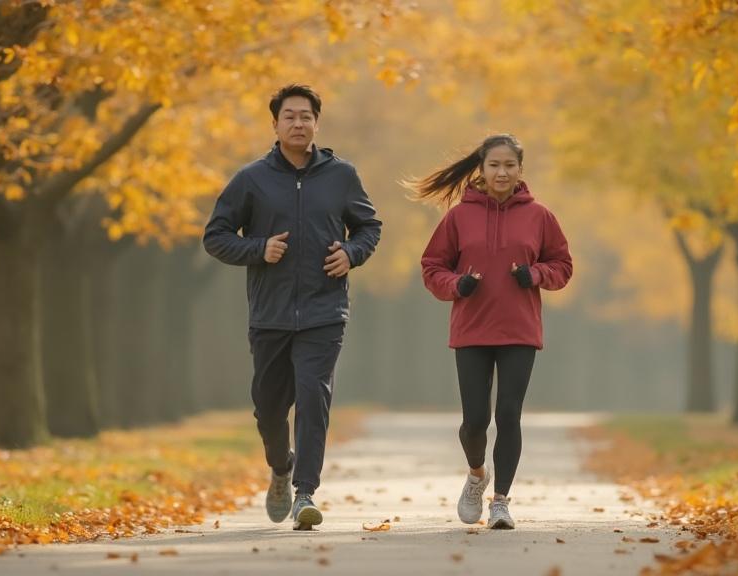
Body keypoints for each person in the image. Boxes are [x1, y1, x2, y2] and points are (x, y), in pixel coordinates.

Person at [203, 84, 381, 530]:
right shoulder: (251, 179)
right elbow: (216, 235)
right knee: (268, 406)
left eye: (306, 116)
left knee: (313, 397)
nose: (298, 123)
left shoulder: (342, 176)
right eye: (290, 117)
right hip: (270, 313)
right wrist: (258, 249)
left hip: (325, 312)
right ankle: (281, 467)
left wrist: (352, 254)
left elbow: (369, 227)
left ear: (317, 123)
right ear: (276, 124)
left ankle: (305, 492)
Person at [414, 134, 572, 529]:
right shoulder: (457, 217)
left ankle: (501, 501)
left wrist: (534, 273)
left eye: (510, 166)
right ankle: (476, 476)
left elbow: (562, 265)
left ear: (520, 170)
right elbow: (433, 266)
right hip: (471, 329)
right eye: (494, 166)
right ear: (481, 171)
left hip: (520, 329)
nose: (502, 173)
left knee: (509, 415)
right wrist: (457, 286)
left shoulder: (540, 216)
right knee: (474, 421)